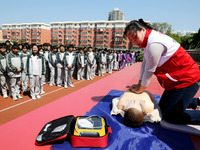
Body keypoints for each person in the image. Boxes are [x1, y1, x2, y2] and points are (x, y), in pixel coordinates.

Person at [124, 18, 200, 124]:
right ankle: (196, 101)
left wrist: (140, 89)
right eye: (132, 40)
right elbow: (144, 63)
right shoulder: (148, 41)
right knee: (161, 109)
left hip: (187, 80)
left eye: (135, 37)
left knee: (170, 116)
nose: (135, 41)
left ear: (142, 30)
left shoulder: (153, 43)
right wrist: (139, 83)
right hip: (176, 81)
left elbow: (149, 71)